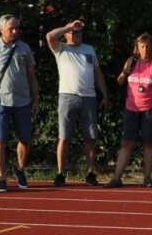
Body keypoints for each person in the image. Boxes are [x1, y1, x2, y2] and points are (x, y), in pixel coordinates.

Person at [0, 14, 39, 192]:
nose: (14, 31)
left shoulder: (24, 48)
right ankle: (1, 177)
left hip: (23, 101)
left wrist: (36, 99)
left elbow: (32, 76)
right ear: (1, 30)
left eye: (17, 28)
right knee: (0, 140)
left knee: (25, 139)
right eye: (11, 28)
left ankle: (19, 169)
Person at [46, 19, 110, 186]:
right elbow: (49, 36)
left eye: (80, 32)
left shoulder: (89, 49)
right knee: (64, 137)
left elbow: (97, 73)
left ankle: (90, 173)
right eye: (74, 32)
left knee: (90, 137)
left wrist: (104, 94)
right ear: (66, 34)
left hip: (89, 97)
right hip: (67, 96)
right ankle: (60, 173)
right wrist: (68, 27)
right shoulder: (60, 48)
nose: (78, 35)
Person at [106, 33, 152, 188]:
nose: (145, 49)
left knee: (148, 143)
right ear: (137, 47)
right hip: (131, 108)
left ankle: (147, 178)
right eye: (142, 46)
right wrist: (124, 72)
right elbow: (120, 81)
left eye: (148, 46)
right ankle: (117, 178)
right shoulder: (131, 61)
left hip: (150, 109)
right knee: (127, 142)